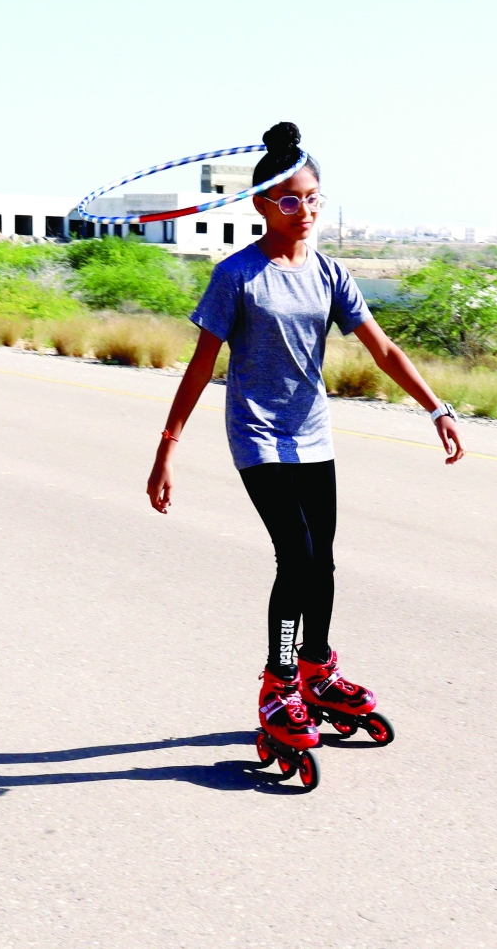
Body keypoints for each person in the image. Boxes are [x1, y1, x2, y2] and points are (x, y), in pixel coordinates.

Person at [147, 122, 465, 757]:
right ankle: (279, 683)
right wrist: (166, 449)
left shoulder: (328, 273)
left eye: (314, 198)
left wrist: (437, 408)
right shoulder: (235, 276)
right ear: (261, 204)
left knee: (322, 565)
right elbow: (201, 366)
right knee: (294, 559)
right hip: (258, 436)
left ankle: (318, 672)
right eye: (290, 200)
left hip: (312, 435)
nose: (305, 212)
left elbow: (383, 348)